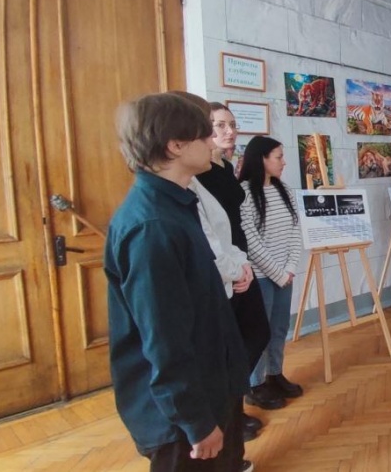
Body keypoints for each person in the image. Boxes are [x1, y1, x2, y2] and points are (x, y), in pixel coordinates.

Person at [105, 93, 249, 471]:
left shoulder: (177, 204)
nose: (212, 142)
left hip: (209, 384)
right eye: (204, 135)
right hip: (180, 419)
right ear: (176, 146)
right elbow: (163, 339)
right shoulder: (152, 225)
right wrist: (196, 422)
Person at [173, 95, 276, 442]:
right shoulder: (199, 175)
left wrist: (241, 263)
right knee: (229, 344)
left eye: (232, 125)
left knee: (255, 333)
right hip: (222, 268)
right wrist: (230, 268)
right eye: (219, 125)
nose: (229, 131)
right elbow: (207, 230)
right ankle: (228, 412)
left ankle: (232, 402)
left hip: (239, 261)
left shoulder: (224, 167)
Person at [239, 136, 305, 410]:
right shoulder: (244, 193)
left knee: (279, 328)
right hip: (262, 277)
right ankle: (254, 385)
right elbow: (251, 241)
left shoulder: (284, 189)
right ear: (262, 159)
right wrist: (278, 273)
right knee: (259, 332)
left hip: (284, 276)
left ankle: (274, 374)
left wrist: (289, 269)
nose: (283, 162)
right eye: (278, 157)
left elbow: (295, 231)